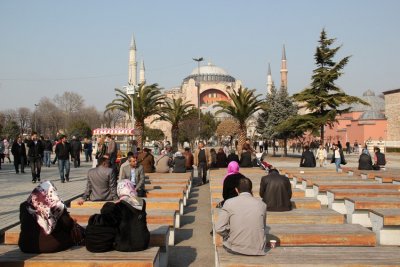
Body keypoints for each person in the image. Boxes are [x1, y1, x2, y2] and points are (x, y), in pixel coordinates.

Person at [18, 181, 84, 253]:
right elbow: (68, 225)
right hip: (50, 245)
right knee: (76, 232)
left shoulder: (24, 205)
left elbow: (24, 224)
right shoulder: (56, 206)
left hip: (25, 246)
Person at [85, 180, 149, 252]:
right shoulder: (142, 203)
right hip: (143, 243)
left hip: (123, 245)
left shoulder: (117, 207)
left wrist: (107, 209)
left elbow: (108, 221)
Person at [215, 177, 266, 256]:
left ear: (236, 190)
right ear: (251, 189)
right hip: (257, 249)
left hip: (235, 248)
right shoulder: (262, 205)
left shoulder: (229, 203)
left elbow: (219, 228)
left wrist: (228, 234)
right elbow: (263, 226)